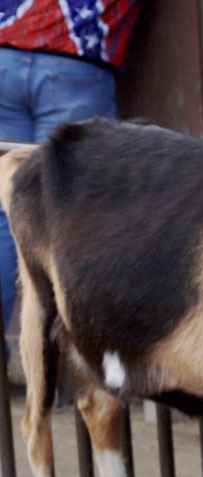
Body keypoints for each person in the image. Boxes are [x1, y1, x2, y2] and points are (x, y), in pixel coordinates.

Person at [0, 0, 137, 331]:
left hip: (5, 55)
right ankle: (83, 361)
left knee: (3, 213)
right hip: (75, 66)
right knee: (77, 216)